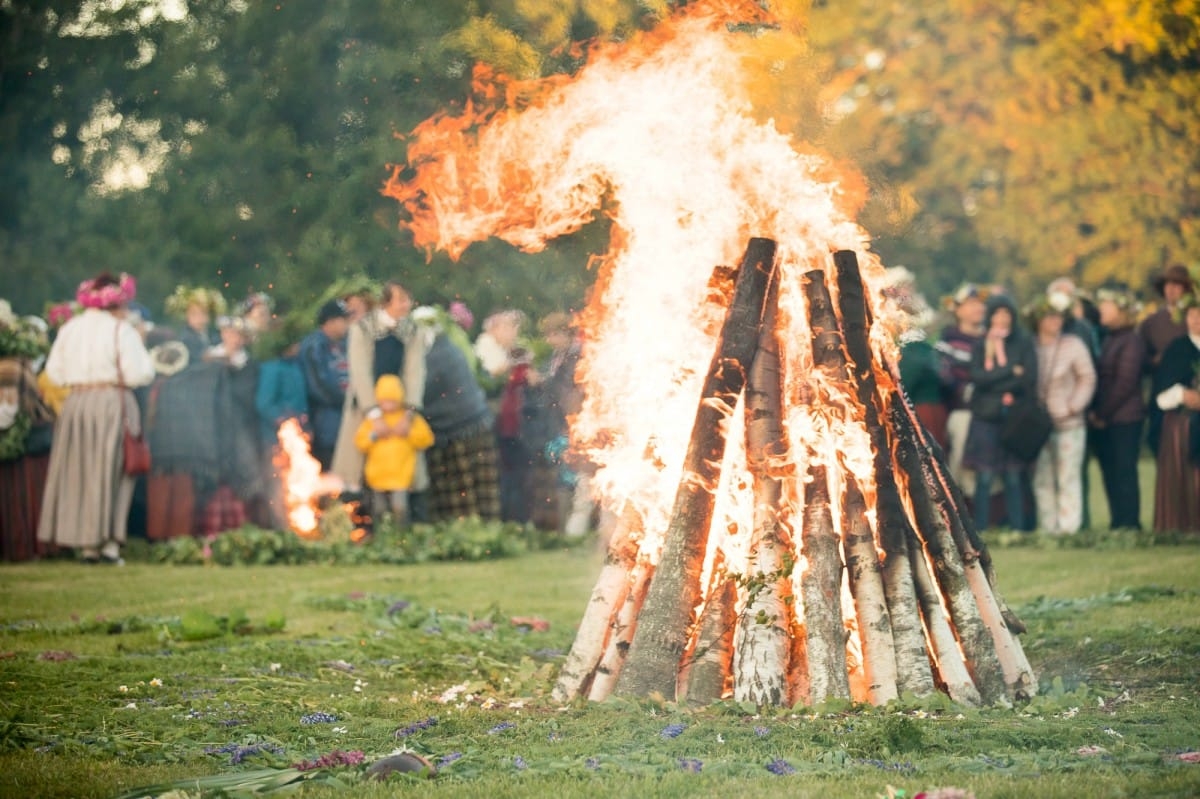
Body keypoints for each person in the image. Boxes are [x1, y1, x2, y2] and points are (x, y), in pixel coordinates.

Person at [37, 272, 154, 563]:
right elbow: (141, 373)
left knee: (80, 470)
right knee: (114, 468)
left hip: (76, 402)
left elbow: (54, 373)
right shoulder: (121, 330)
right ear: (115, 303)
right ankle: (108, 544)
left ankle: (86, 544)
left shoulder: (70, 329)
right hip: (112, 399)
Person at [410, 307, 501, 521]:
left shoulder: (435, 354)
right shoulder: (448, 346)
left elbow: (421, 391)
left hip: (459, 428)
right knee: (480, 488)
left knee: (461, 489)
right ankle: (485, 530)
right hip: (474, 422)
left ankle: (466, 530)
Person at [962, 294, 1037, 532]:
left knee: (1013, 476)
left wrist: (996, 381)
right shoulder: (980, 344)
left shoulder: (1023, 343)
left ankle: (1018, 528)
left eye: (1007, 315)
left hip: (1012, 416)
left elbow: (1028, 378)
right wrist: (1009, 372)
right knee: (984, 476)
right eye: (997, 314)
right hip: (985, 416)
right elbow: (977, 377)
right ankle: (981, 528)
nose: (1002, 319)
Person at [331, 281, 413, 494]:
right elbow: (360, 375)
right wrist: (374, 414)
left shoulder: (407, 331)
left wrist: (408, 411)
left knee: (396, 472)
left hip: (396, 409)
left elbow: (412, 373)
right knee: (354, 474)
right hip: (364, 410)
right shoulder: (360, 331)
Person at [1027, 296, 1097, 534]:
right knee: (1042, 477)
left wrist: (1073, 406)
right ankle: (1048, 527)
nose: (1055, 321)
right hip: (1038, 424)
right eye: (1050, 316)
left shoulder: (1073, 344)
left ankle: (1069, 529)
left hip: (1069, 422)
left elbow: (1087, 377)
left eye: (1059, 316)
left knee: (1068, 476)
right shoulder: (1030, 346)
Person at [1088, 287, 1147, 530]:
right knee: (1110, 471)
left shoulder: (1131, 341)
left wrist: (1101, 413)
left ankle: (1130, 523)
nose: (1101, 310)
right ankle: (1118, 522)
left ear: (1120, 311)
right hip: (1110, 418)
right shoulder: (1110, 338)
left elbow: (1125, 383)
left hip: (1125, 418)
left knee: (1124, 471)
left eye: (1107, 306)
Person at [353, 374, 434, 525]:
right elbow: (360, 442)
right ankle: (382, 537)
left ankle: (400, 537)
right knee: (379, 510)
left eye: (392, 400)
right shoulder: (373, 421)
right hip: (377, 476)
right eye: (384, 401)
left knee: (400, 508)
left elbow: (426, 438)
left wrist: (409, 433)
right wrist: (374, 436)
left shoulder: (408, 419)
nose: (388, 405)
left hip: (401, 476)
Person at [1152, 287, 1200, 533]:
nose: (1197, 320)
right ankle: (1181, 524)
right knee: (1182, 476)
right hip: (1182, 424)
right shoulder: (1177, 349)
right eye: (1192, 314)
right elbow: (1160, 396)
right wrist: (1183, 395)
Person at [254, 319, 309, 529]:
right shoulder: (272, 369)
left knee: (296, 480)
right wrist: (284, 422)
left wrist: (304, 426)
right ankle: (281, 528)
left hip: (297, 437)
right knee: (278, 484)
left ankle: (298, 526)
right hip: (275, 439)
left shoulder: (295, 368)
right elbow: (264, 403)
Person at [936, 283, 988, 490]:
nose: (979, 308)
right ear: (958, 310)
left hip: (991, 413)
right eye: (971, 304)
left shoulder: (991, 339)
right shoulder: (948, 341)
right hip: (962, 412)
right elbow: (945, 378)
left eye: (980, 304)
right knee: (961, 463)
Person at [1140, 264, 1193, 454]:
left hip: (1192, 392)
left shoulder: (1195, 318)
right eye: (1168, 284)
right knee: (1162, 447)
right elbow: (1141, 360)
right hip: (1161, 391)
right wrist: (1156, 361)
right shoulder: (1151, 323)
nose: (1171, 289)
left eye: (1177, 285)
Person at [299, 299, 350, 470]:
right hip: (325, 423)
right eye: (343, 319)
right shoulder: (314, 346)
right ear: (330, 321)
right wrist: (344, 401)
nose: (347, 324)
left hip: (346, 421)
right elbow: (316, 386)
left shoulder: (345, 344)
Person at [165, 285, 226, 365]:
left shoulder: (213, 335)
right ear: (186, 316)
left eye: (203, 313)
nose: (199, 318)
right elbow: (201, 358)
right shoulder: (186, 338)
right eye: (194, 314)